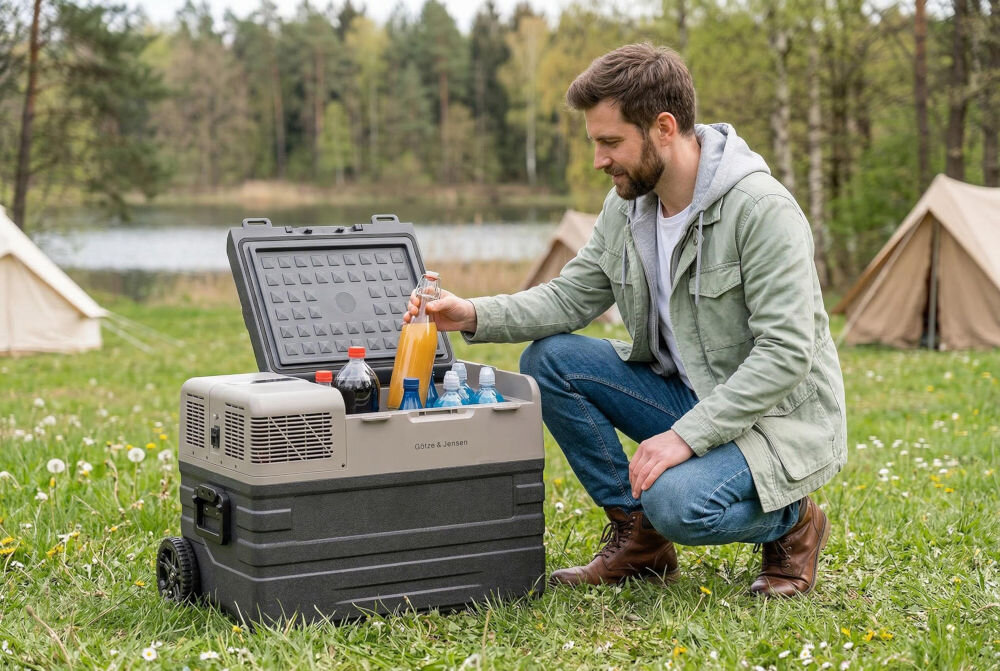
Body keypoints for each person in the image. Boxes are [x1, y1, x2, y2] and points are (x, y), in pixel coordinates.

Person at [405, 43, 847, 598]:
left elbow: (785, 354)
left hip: (771, 421)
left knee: (675, 503)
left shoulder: (761, 210)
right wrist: (469, 313)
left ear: (664, 127)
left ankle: (795, 521)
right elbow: (572, 296)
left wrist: (684, 438)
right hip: (687, 394)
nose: (599, 160)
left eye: (610, 142)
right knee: (549, 360)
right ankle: (640, 542)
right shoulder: (629, 205)